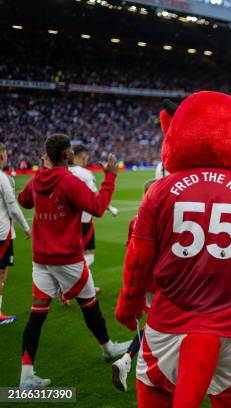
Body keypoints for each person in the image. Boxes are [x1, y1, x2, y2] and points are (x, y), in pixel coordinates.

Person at [115, 93, 231, 407]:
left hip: (168, 327)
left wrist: (128, 306)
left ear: (171, 129)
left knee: (157, 395)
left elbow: (137, 258)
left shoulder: (160, 190)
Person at [18, 134, 129, 389]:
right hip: (67, 258)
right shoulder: (69, 181)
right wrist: (110, 177)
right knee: (90, 305)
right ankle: (109, 349)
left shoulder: (37, 180)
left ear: (47, 155)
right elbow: (98, 207)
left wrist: (39, 175)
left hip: (41, 259)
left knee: (37, 315)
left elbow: (24, 202)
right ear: (67, 155)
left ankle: (26, 377)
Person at [111, 179, 158, 392]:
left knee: (154, 324)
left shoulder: (134, 221)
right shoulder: (164, 218)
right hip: (162, 282)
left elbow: (131, 252)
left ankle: (128, 360)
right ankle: (130, 361)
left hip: (142, 281)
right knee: (164, 324)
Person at [69, 145, 119, 294]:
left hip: (68, 221)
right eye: (86, 158)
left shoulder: (63, 171)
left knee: (76, 255)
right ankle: (70, 286)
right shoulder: (85, 174)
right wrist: (109, 208)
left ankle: (85, 286)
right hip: (84, 220)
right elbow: (96, 199)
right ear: (82, 157)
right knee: (87, 255)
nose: (87, 161)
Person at [0, 143, 31, 325]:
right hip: (2, 233)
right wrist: (26, 227)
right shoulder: (3, 178)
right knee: (1, 274)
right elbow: (13, 207)